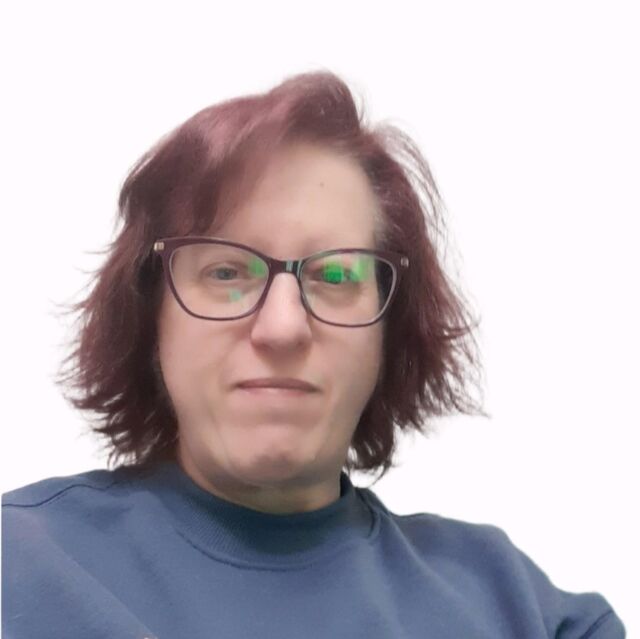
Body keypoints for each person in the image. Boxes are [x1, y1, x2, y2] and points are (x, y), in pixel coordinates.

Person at [1, 71, 625, 638]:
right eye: (225, 272)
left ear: (390, 332)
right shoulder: (21, 566)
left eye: (336, 275)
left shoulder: (523, 611)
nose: (282, 328)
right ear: (150, 319)